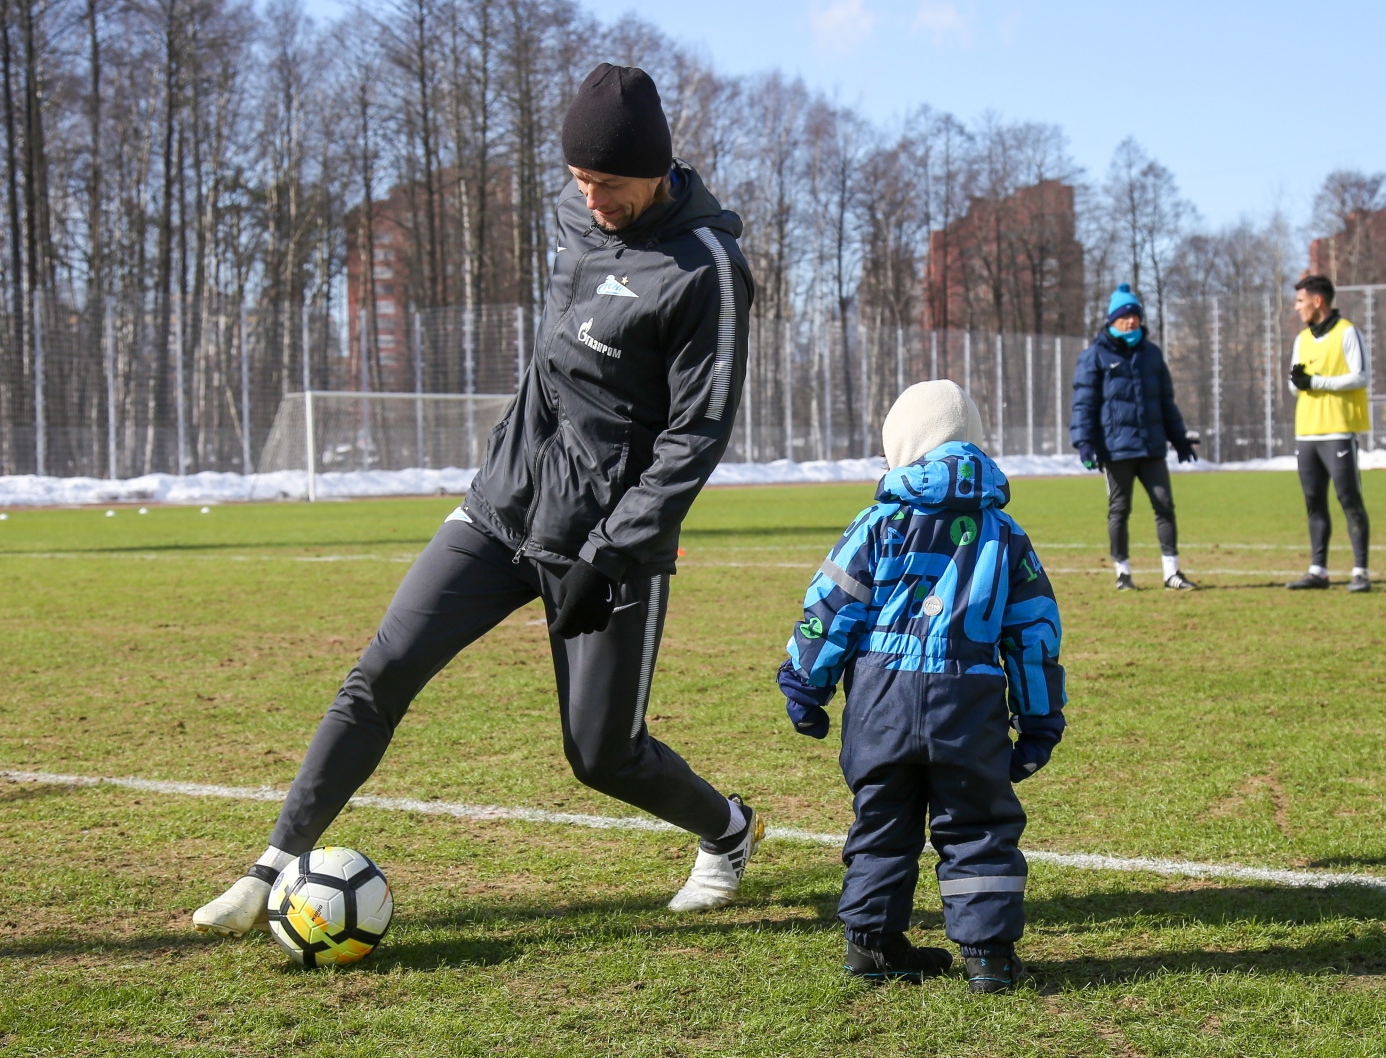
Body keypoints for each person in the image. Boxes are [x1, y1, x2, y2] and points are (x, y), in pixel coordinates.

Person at [193, 63, 764, 938]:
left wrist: (609, 551)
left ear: (656, 169)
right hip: (504, 503)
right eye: (579, 180)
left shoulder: (708, 269)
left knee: (602, 755)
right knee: (377, 676)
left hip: (602, 544)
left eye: (607, 183)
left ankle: (726, 833)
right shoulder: (576, 218)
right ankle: (266, 870)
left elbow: (698, 436)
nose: (591, 198)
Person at [776, 380, 1067, 994]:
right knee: (978, 824)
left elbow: (832, 604)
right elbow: (1033, 631)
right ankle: (988, 957)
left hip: (880, 696)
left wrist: (805, 681)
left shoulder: (877, 521)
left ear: (901, 446)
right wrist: (1039, 718)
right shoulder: (1005, 533)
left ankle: (872, 944)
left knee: (881, 820)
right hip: (970, 698)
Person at [1070, 283, 1199, 591]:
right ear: (1111, 320)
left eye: (1135, 316)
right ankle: (1122, 573)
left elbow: (1166, 402)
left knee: (1164, 505)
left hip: (1152, 447)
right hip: (1115, 451)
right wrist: (1085, 443)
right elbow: (1084, 403)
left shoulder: (1152, 355)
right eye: (1124, 316)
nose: (1130, 321)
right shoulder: (1094, 356)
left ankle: (1172, 573)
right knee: (1120, 510)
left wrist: (1179, 439)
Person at [1285, 274, 1372, 593]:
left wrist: (1317, 381)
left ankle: (1360, 571)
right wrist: (1298, 382)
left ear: (1317, 301)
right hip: (1306, 432)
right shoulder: (1302, 340)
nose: (1296, 307)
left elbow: (1360, 377)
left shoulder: (1347, 332)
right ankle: (1317, 570)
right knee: (1313, 502)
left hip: (1337, 430)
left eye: (1300, 301)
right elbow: (1295, 386)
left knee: (1349, 499)